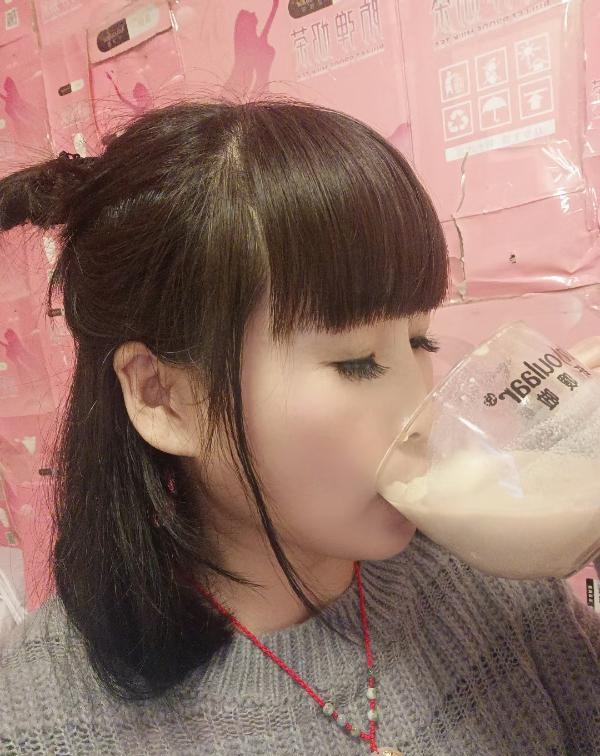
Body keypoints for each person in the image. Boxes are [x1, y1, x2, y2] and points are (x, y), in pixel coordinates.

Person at [0, 98, 599, 755]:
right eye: (356, 361)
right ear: (162, 396)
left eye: (419, 342)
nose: (422, 412)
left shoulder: (487, 575)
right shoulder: (43, 720)